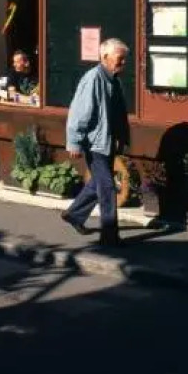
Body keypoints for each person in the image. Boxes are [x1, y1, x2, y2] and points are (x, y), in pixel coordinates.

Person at [61, 38, 131, 247]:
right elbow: (79, 114)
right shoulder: (93, 79)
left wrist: (122, 138)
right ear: (105, 57)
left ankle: (74, 214)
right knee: (108, 187)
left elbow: (119, 115)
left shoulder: (114, 80)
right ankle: (109, 236)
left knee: (98, 183)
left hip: (107, 141)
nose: (123, 63)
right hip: (94, 143)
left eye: (124, 59)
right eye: (120, 59)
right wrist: (74, 142)